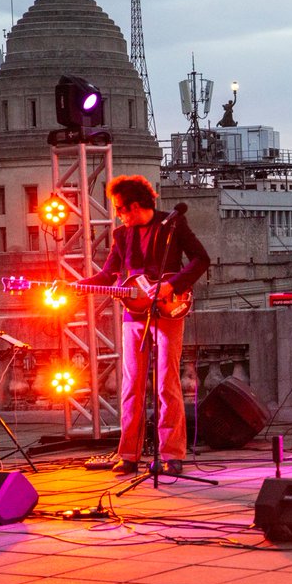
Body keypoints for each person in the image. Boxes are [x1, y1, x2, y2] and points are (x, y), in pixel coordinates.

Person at [77, 175, 210, 476]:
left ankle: (172, 454)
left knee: (167, 384)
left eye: (120, 209)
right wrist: (78, 285)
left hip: (168, 310)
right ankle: (128, 455)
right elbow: (108, 275)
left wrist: (172, 285)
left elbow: (201, 259)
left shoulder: (172, 225)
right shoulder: (122, 235)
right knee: (131, 385)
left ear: (135, 206)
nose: (118, 215)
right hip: (133, 314)